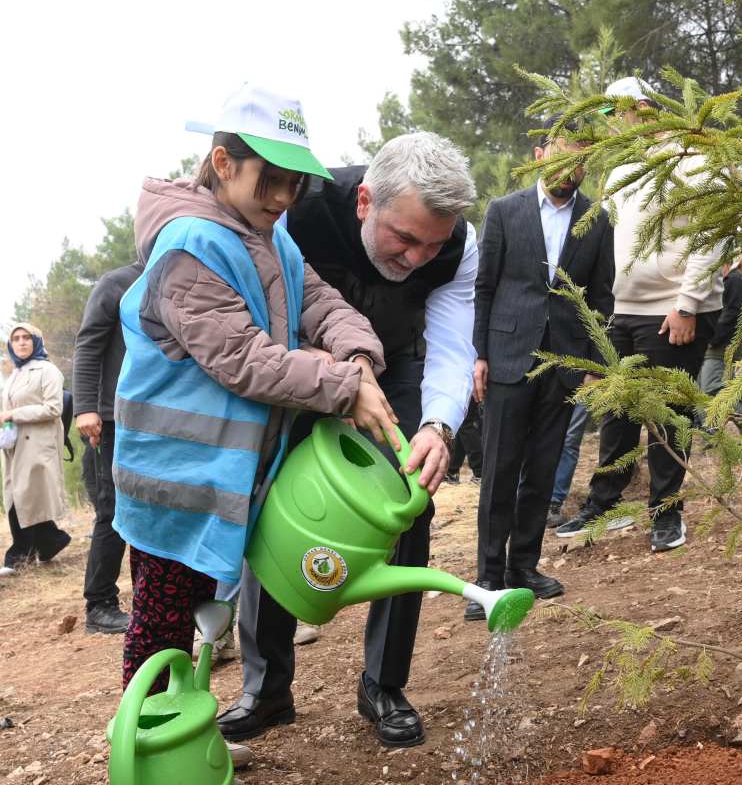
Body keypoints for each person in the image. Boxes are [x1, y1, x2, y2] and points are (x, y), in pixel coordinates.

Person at [113, 84, 394, 691]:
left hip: (223, 473)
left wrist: (357, 355)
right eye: (271, 180)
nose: (285, 197)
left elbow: (318, 300)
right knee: (161, 629)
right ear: (223, 162)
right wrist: (345, 385)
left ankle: (187, 729)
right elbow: (244, 359)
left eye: (296, 183)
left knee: (199, 622)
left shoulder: (267, 234)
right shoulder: (191, 246)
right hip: (176, 477)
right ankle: (148, 739)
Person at [220, 132, 478, 749]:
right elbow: (257, 318)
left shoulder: (460, 245)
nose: (417, 258)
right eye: (405, 238)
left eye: (432, 244)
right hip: (301, 363)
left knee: (410, 504)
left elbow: (451, 343)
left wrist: (438, 426)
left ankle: (383, 684)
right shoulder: (300, 208)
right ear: (365, 201)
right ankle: (266, 685)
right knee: (276, 500)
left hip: (399, 365)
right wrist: (332, 374)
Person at [556, 78, 722, 552]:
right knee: (617, 414)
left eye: (614, 113)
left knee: (668, 413)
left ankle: (666, 514)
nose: (610, 123)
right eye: (603, 116)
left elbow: (712, 235)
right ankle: (605, 505)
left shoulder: (691, 158)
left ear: (645, 108)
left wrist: (688, 304)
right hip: (620, 311)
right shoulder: (621, 169)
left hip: (672, 310)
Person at [468, 117, 614, 619]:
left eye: (581, 157)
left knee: (543, 468)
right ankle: (488, 577)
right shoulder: (504, 211)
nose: (571, 166)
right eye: (563, 153)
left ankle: (524, 567)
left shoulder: (597, 219)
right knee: (499, 470)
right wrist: (479, 354)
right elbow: (484, 287)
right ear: (539, 155)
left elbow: (601, 296)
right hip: (508, 357)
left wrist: (594, 363)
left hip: (564, 363)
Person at [72, 261, 142, 633]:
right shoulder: (117, 282)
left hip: (154, 417)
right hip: (110, 418)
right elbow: (87, 345)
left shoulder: (176, 276)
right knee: (112, 509)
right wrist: (85, 407)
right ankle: (99, 605)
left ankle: (150, 598)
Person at [0, 324, 71, 575]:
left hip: (38, 444)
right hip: (15, 444)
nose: (21, 342)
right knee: (19, 496)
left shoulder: (48, 370)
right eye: (16, 338)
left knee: (25, 497)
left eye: (26, 338)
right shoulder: (15, 373)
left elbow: (54, 408)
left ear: (36, 341)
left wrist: (13, 414)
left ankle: (18, 557)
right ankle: (52, 541)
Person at [698, 256, 742, 397]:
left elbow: (733, 313)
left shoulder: (735, 280)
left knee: (713, 390)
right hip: (714, 346)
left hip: (721, 347)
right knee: (703, 391)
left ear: (725, 265)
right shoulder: (726, 281)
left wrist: (713, 339)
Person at [446, 397, 483, 483]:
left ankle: (480, 472)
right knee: (461, 423)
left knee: (465, 423)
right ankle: (452, 471)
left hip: (464, 390)